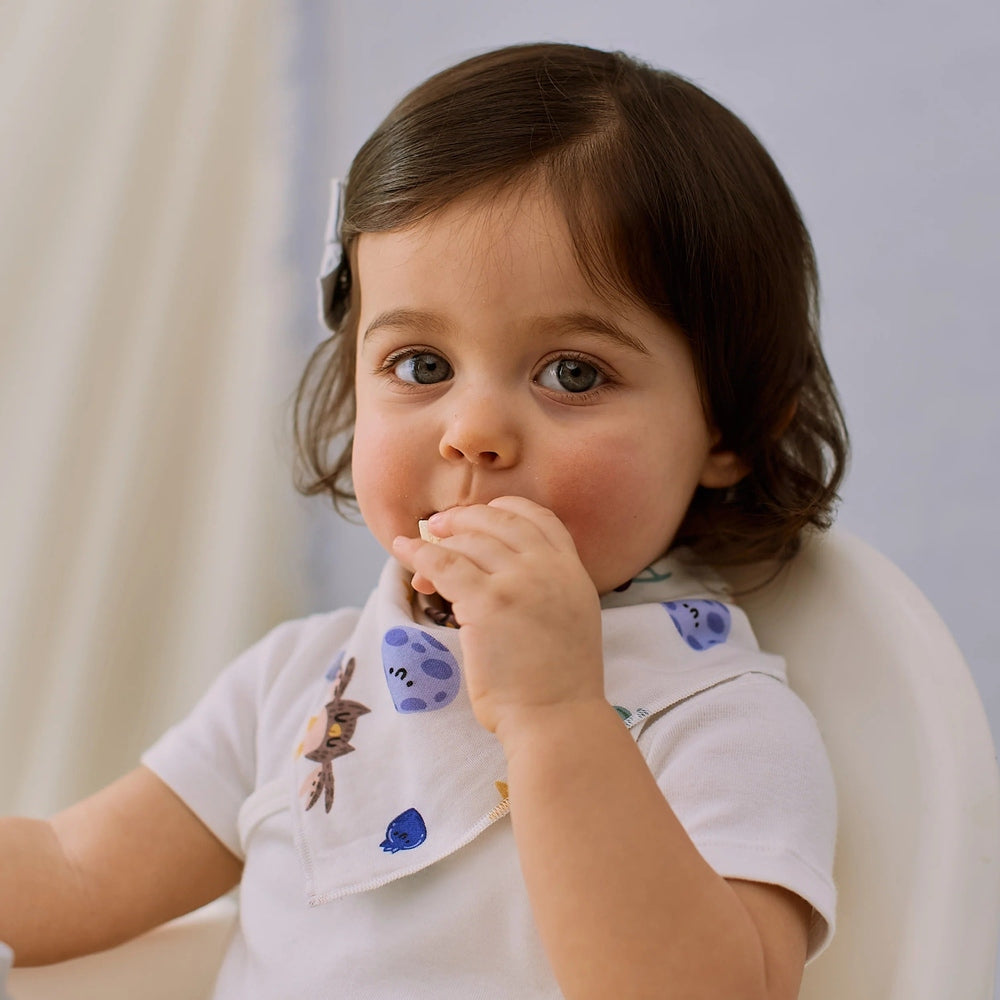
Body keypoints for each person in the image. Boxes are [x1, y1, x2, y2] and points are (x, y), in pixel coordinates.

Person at [1, 42, 848, 1000]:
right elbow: (75, 869)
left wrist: (557, 716)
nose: (474, 431)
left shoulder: (721, 721)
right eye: (420, 366)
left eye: (573, 372)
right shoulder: (297, 682)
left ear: (728, 427)